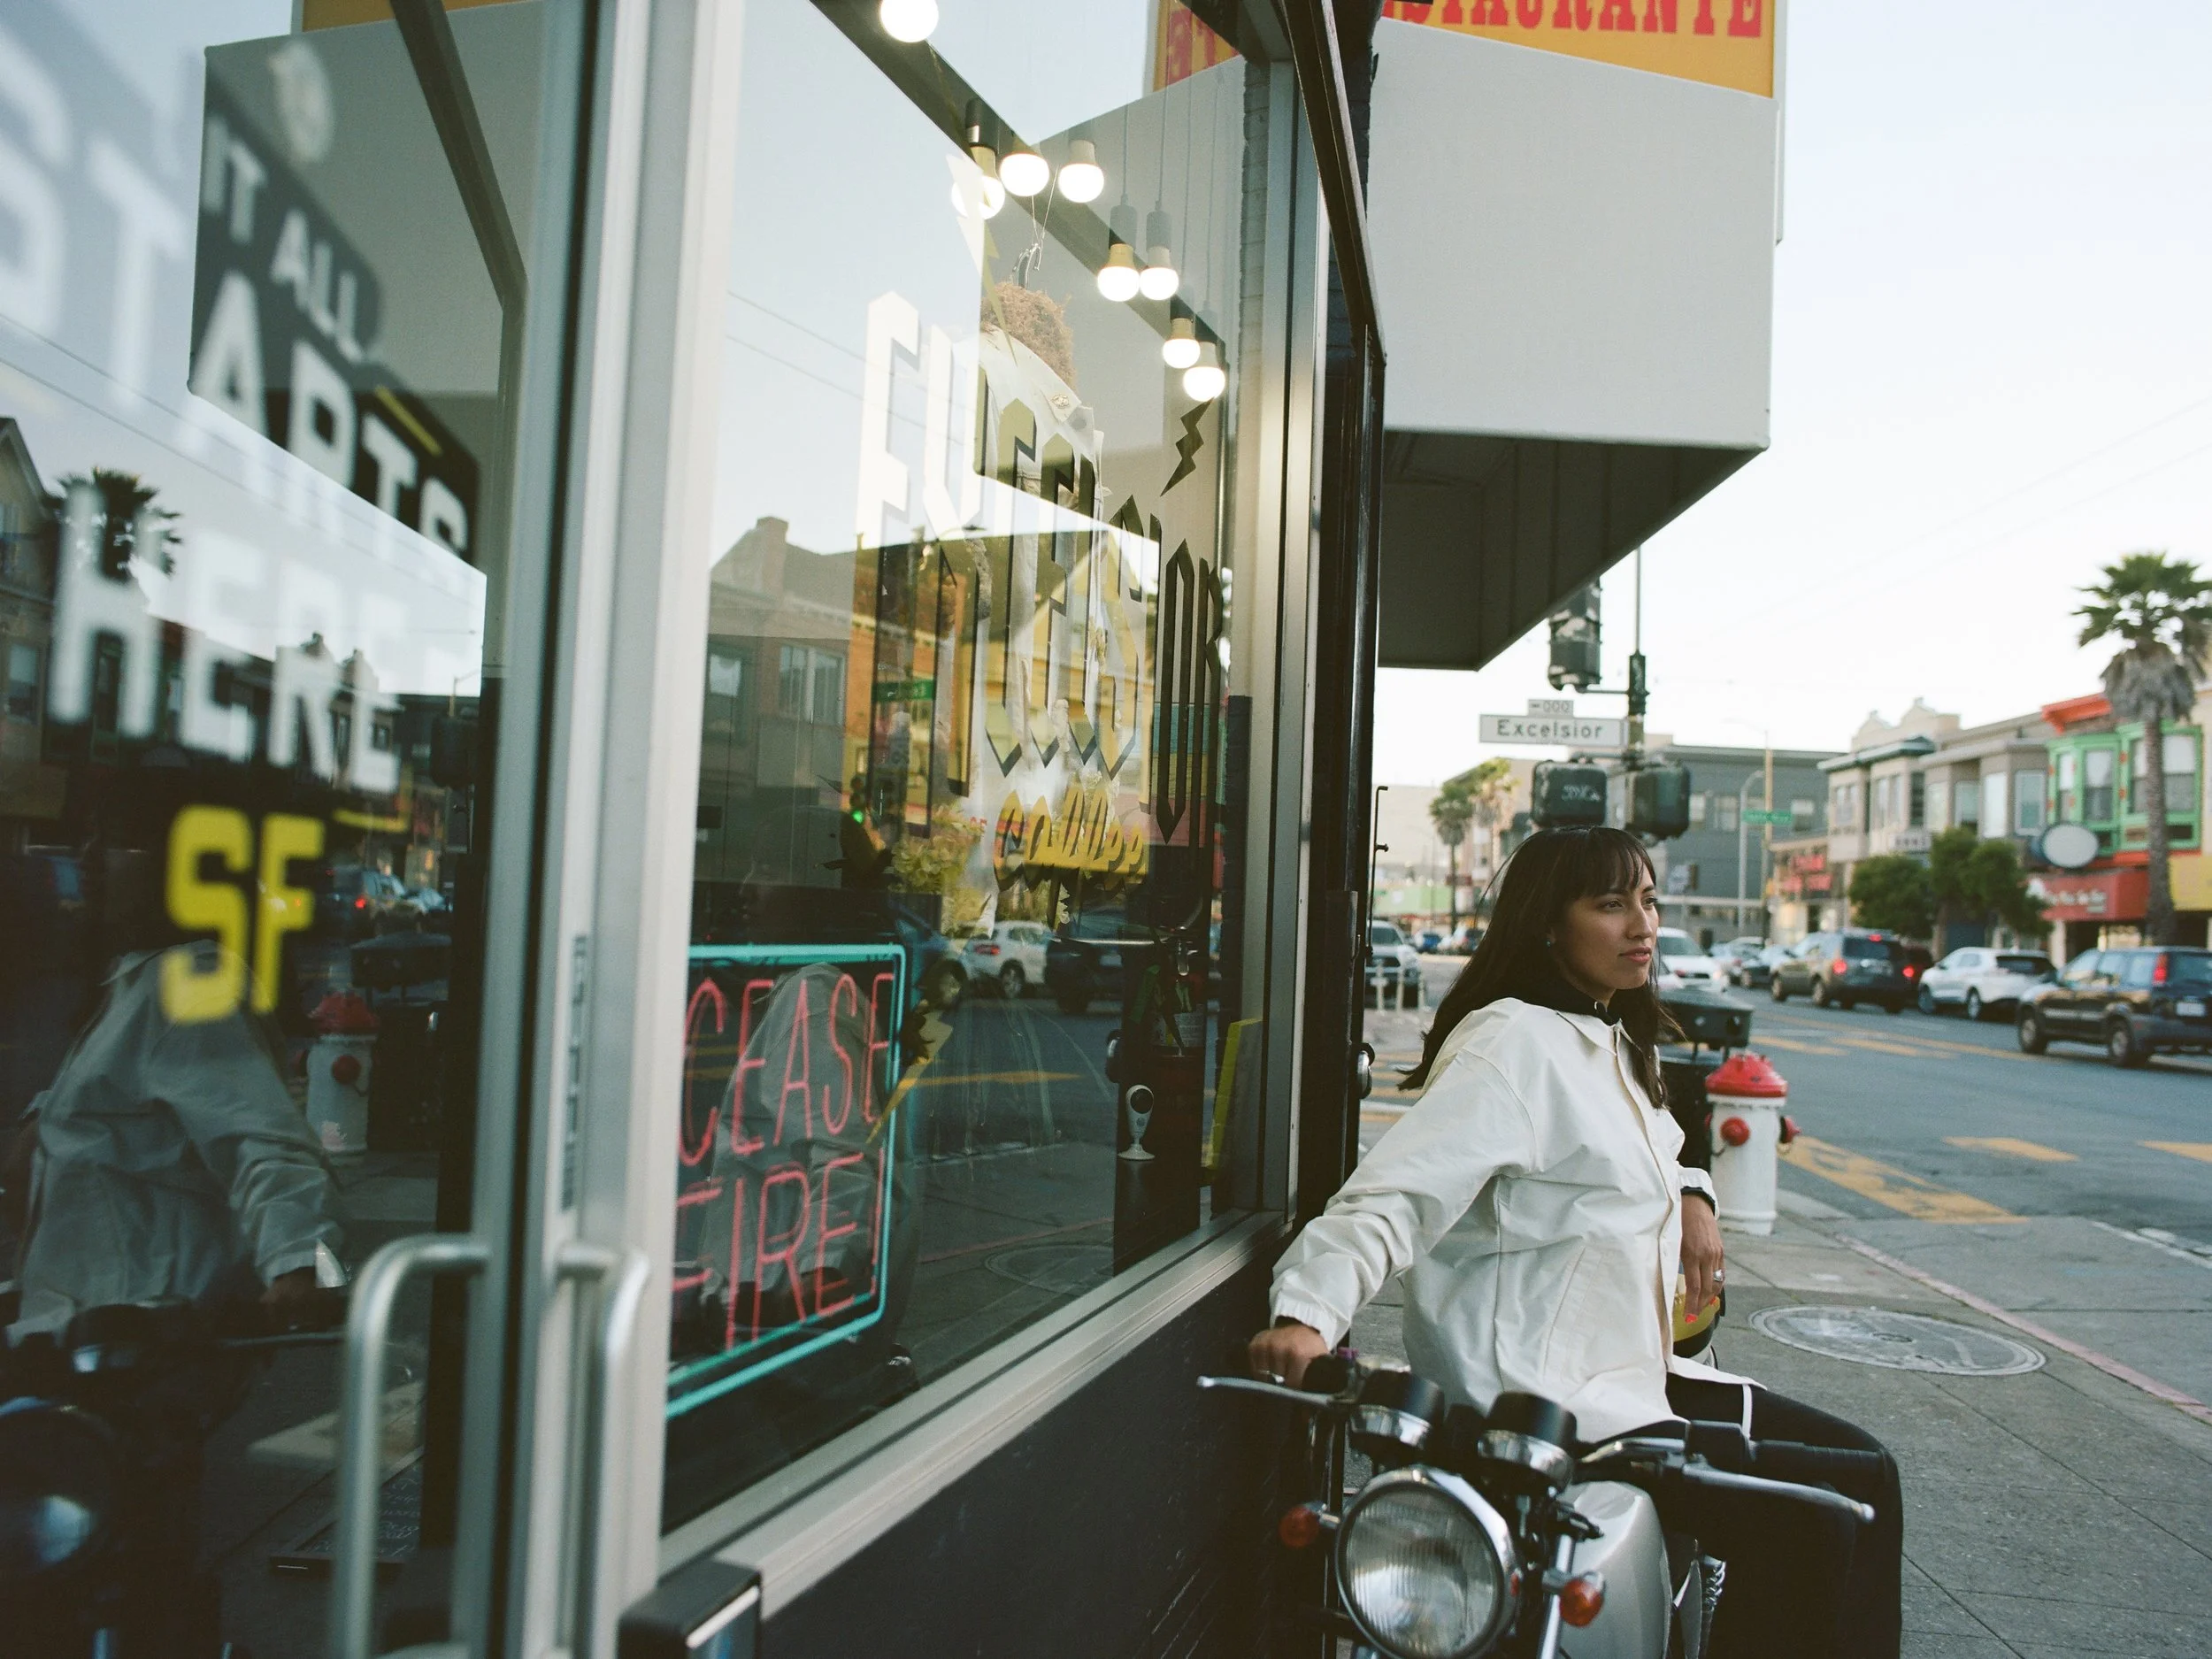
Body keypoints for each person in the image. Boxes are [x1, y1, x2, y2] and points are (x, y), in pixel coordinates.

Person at [1248, 826, 1901, 1659]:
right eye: (1611, 903)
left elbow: (1659, 1143)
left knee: (1867, 1473)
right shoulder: (1514, 1043)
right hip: (1547, 1408)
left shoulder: (1606, 1036)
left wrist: (1695, 1191)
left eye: (1650, 900)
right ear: (1547, 925)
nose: (1644, 924)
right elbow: (1393, 1194)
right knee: (1827, 1516)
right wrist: (1307, 1312)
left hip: (1632, 1377)